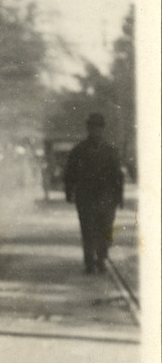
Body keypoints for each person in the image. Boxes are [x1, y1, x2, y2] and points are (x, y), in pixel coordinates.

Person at [64, 113, 124, 274]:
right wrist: (69, 192)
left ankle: (102, 259)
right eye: (92, 128)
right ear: (88, 129)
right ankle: (90, 262)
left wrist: (119, 198)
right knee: (88, 229)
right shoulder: (78, 150)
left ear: (102, 129)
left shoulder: (111, 151)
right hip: (86, 197)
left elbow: (118, 176)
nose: (95, 131)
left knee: (105, 229)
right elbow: (70, 173)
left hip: (107, 198)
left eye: (98, 128)